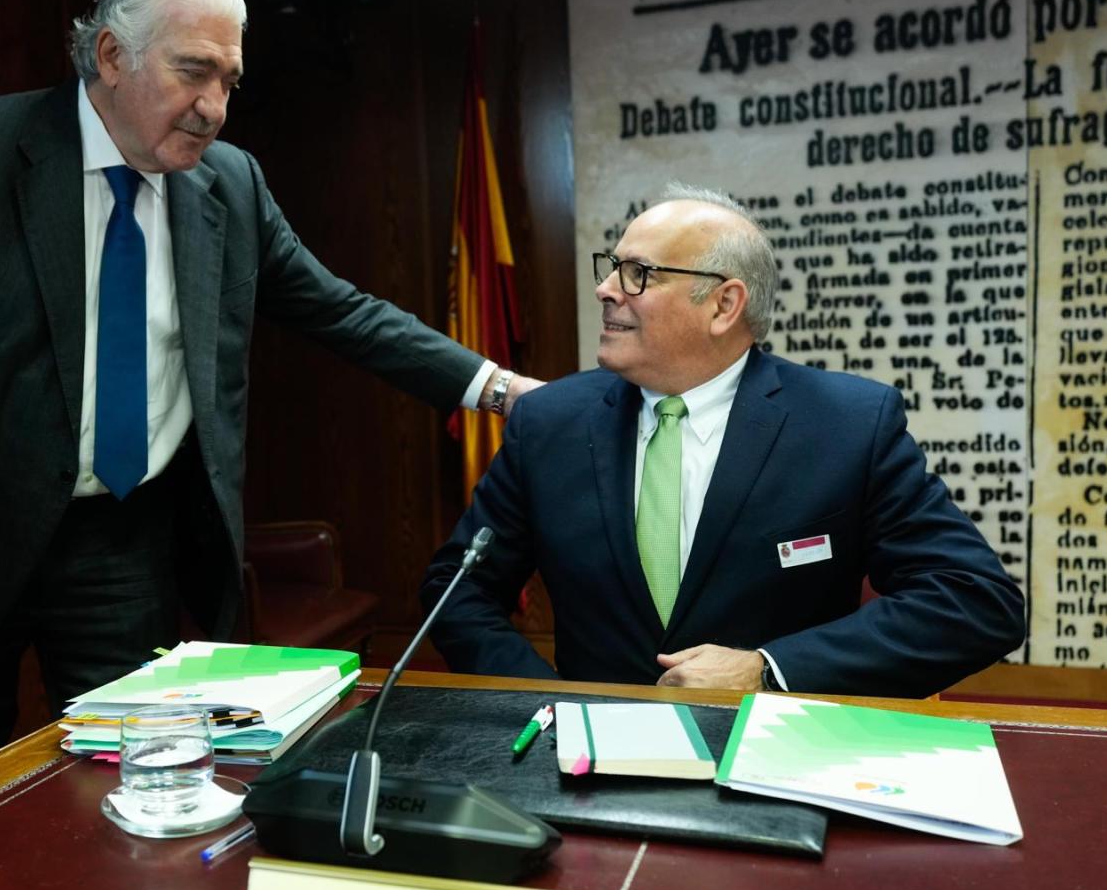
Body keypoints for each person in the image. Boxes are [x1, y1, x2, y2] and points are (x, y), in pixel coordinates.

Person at [0, 0, 541, 792]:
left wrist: (502, 391)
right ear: (113, 56)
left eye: (229, 80)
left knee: (139, 779)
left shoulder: (232, 184)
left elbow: (342, 311)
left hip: (120, 538)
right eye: (194, 72)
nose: (214, 106)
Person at [423, 183, 1023, 698]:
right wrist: (548, 704)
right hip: (582, 764)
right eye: (610, 268)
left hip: (775, 757)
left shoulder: (848, 424)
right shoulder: (550, 422)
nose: (606, 289)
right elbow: (457, 592)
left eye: (638, 274)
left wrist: (770, 671)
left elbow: (975, 601)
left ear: (724, 305)